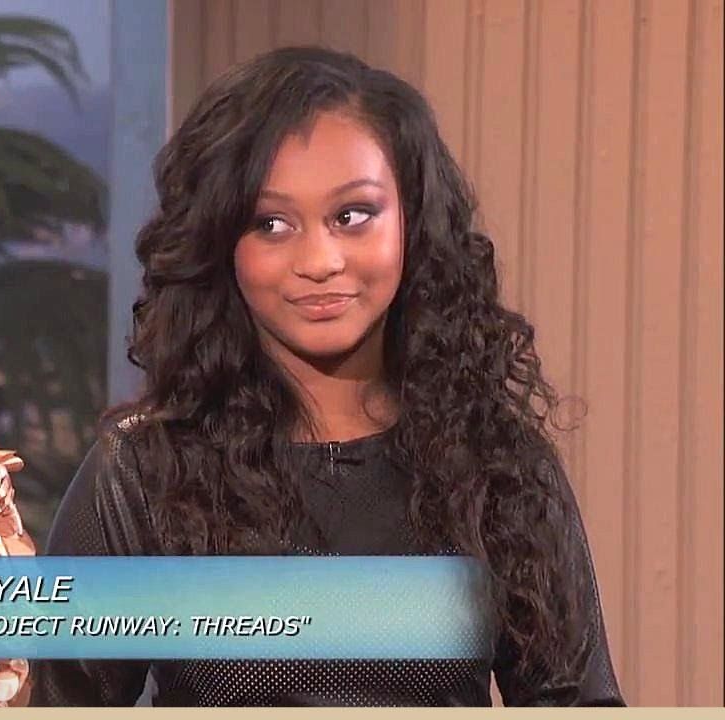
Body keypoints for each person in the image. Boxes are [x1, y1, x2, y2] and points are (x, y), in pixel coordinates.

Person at [31, 46, 624, 707]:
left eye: (352, 215)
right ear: (221, 244)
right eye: (271, 224)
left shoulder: (498, 463)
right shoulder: (143, 472)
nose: (319, 261)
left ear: (412, 221)